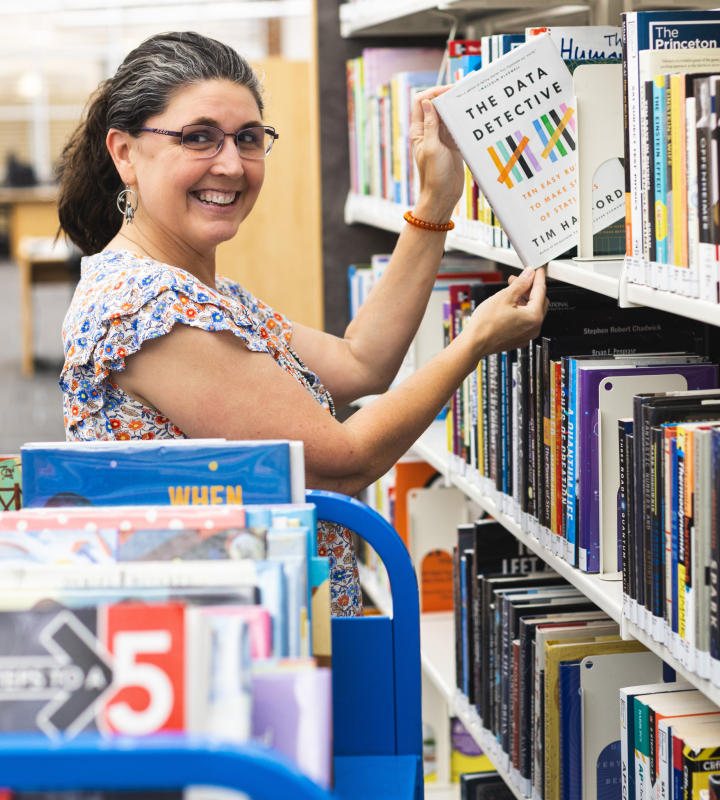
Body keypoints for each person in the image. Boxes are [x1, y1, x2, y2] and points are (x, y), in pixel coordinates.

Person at [57, 32, 548, 616]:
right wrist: (473, 343)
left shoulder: (196, 292)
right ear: (124, 153)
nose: (232, 164)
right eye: (198, 138)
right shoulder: (148, 308)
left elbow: (361, 361)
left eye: (248, 138)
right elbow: (341, 463)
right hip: (221, 656)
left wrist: (435, 200)